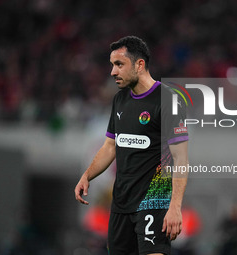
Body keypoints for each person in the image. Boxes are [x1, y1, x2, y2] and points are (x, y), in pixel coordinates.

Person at [75, 36, 189, 255]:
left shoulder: (168, 100)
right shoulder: (120, 100)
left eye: (119, 64)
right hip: (120, 205)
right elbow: (110, 147)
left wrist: (175, 206)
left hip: (153, 202)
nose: (112, 72)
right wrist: (87, 176)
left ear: (139, 64)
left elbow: (181, 158)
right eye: (112, 65)